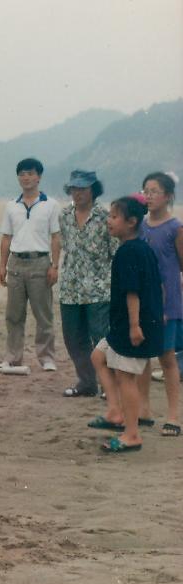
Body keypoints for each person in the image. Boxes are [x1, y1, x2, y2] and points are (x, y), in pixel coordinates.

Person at [88, 196, 163, 453]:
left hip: (133, 325)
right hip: (125, 324)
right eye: (109, 216)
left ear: (131, 222)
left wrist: (134, 326)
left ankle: (132, 434)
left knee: (126, 377)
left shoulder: (129, 251)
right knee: (98, 356)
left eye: (114, 217)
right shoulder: (141, 248)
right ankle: (114, 412)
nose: (109, 221)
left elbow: (133, 292)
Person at [0, 158, 61, 372]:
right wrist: (2, 266)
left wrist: (54, 265)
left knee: (43, 314)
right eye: (22, 174)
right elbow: (6, 238)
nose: (26, 178)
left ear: (39, 176)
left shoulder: (50, 205)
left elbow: (56, 237)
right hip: (16, 263)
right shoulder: (11, 205)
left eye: (31, 173)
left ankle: (47, 358)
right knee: (14, 314)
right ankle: (13, 357)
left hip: (40, 262)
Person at [57, 170, 115, 398]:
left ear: (93, 190)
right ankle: (86, 382)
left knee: (101, 337)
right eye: (74, 188)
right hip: (70, 288)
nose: (78, 193)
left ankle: (107, 385)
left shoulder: (105, 216)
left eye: (83, 188)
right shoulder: (64, 216)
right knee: (73, 337)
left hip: (99, 288)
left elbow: (115, 252)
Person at [137, 172, 183, 437]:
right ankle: (144, 410)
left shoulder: (175, 227)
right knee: (143, 357)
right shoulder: (140, 226)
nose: (149, 196)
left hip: (168, 304)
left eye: (154, 191)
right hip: (144, 302)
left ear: (167, 196)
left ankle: (174, 417)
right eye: (146, 191)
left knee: (166, 359)